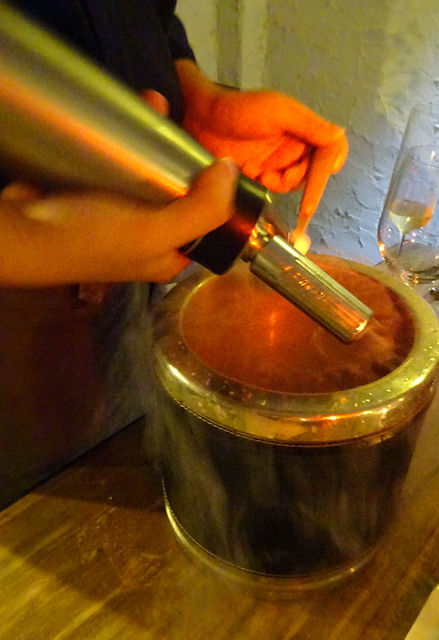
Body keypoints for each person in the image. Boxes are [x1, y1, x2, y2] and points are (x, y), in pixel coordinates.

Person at [0, 0, 348, 506]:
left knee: (132, 477)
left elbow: (142, 16)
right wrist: (25, 242)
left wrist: (194, 100)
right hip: (13, 351)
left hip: (115, 283)